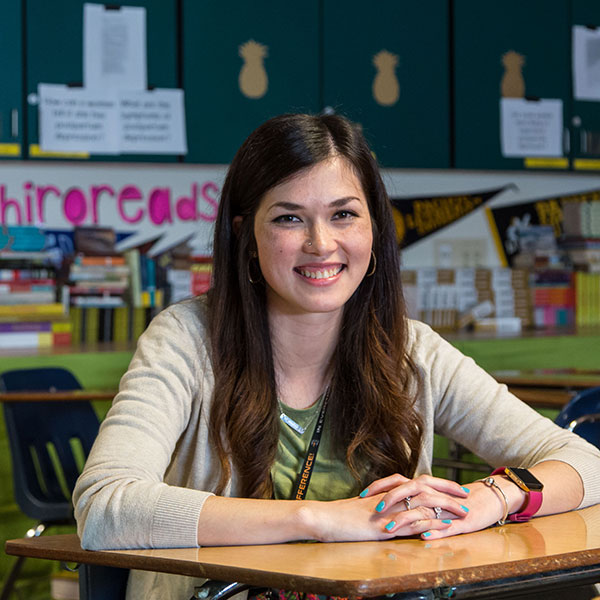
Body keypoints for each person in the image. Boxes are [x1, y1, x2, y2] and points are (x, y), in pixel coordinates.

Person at [73, 113, 600, 600]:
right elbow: (105, 506)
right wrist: (323, 519)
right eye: (289, 219)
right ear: (246, 235)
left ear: (374, 226)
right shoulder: (186, 339)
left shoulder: (410, 349)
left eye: (344, 214)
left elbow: (587, 463)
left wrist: (491, 497)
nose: (321, 243)